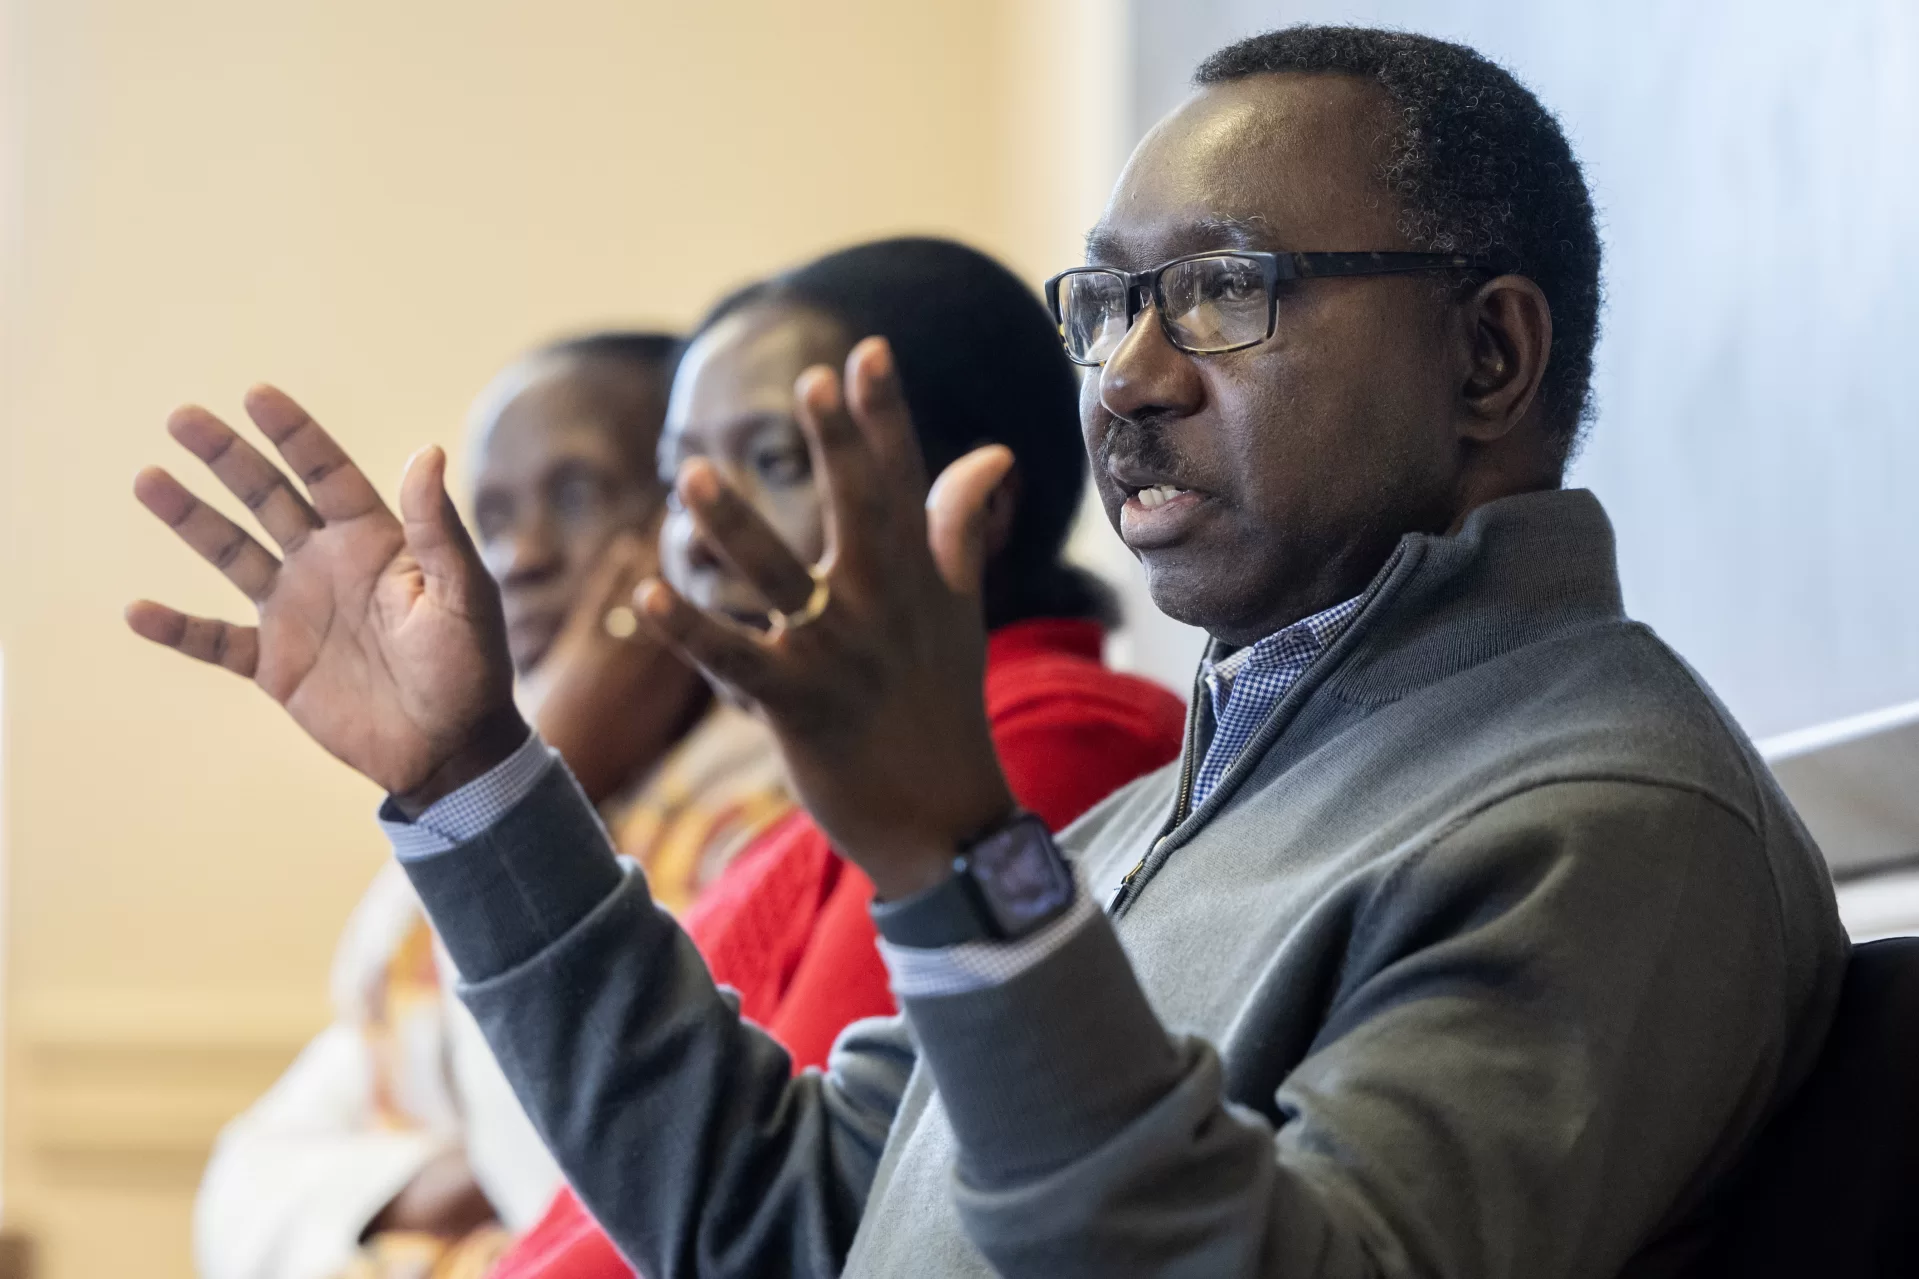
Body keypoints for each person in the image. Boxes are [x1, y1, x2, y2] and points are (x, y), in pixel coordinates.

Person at [132, 25, 1849, 1279]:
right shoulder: (1163, 812)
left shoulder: (1609, 816)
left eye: (1224, 290)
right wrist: (472, 781)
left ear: (1487, 356)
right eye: (1103, 305)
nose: (1128, 375)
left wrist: (957, 861)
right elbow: (768, 1218)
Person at [485, 239, 1187, 1279]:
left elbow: (774, 1214)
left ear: (967, 504)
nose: (701, 535)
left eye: (772, 465)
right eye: (682, 483)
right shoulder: (826, 771)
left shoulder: (1049, 743)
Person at [191, 333, 793, 1279]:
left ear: (687, 515)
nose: (521, 556)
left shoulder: (771, 807)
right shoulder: (503, 782)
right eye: (495, 514)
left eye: (580, 495)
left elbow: (616, 1175)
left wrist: (541, 761)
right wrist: (550, 755)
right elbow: (241, 1190)